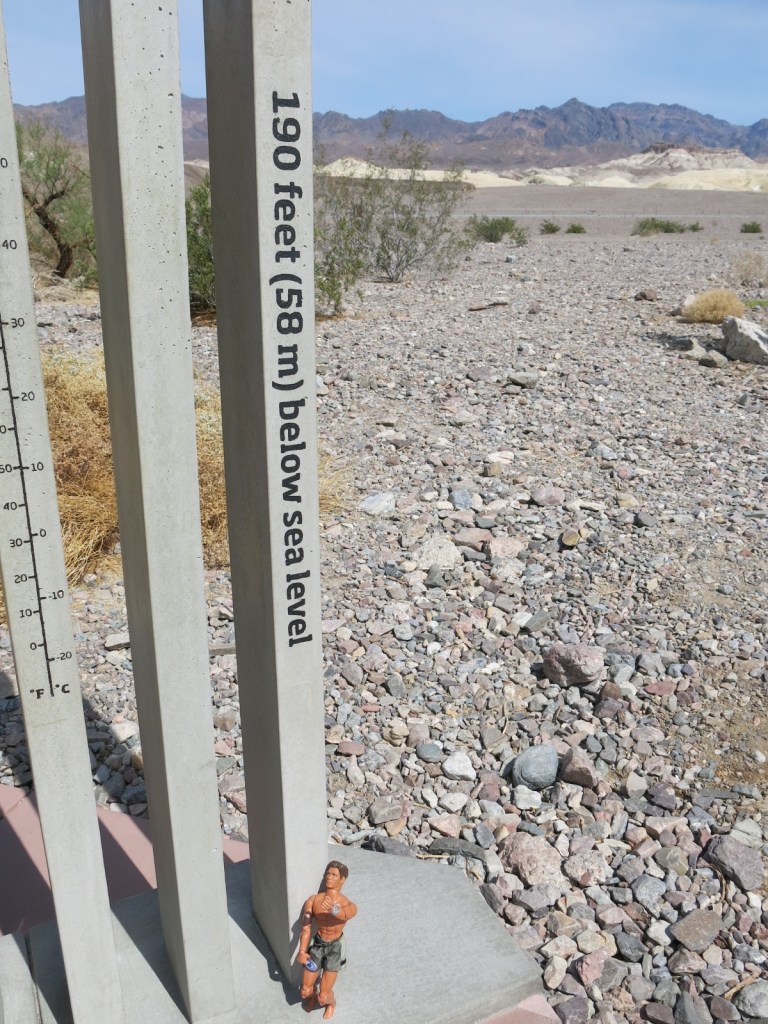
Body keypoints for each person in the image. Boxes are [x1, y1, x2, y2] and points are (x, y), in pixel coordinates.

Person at [297, 861, 357, 1019]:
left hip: (334, 950)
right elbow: (306, 928)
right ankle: (312, 997)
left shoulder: (346, 904)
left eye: (334, 875)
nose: (329, 877)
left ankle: (331, 1003)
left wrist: (333, 909)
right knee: (305, 990)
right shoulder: (313, 900)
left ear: (342, 879)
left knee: (325, 996)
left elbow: (347, 913)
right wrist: (302, 951)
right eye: (328, 874)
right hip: (317, 946)